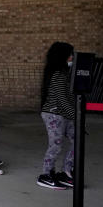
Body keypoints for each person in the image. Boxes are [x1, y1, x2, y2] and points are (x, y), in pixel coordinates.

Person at [37, 42, 76, 190]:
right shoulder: (58, 74)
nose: (72, 57)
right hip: (53, 115)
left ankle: (67, 170)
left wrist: (75, 114)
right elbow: (62, 100)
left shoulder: (66, 73)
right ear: (62, 56)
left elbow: (70, 97)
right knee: (56, 144)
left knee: (77, 140)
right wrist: (76, 115)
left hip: (65, 114)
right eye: (70, 54)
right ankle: (46, 174)